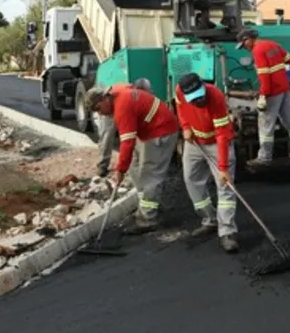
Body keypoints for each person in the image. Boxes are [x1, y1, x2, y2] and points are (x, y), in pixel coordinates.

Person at [84, 81, 179, 234]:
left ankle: (148, 219)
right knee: (135, 169)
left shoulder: (122, 108)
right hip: (146, 130)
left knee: (150, 175)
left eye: (98, 109)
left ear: (104, 99)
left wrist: (119, 169)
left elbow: (127, 143)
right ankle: (149, 204)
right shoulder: (116, 90)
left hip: (161, 131)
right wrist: (124, 167)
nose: (100, 114)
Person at [174, 72, 240, 253]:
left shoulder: (216, 97)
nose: (199, 101)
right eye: (194, 99)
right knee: (191, 179)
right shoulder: (179, 92)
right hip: (195, 143)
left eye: (200, 96)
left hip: (217, 144)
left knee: (224, 186)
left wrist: (224, 168)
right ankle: (210, 219)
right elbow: (180, 109)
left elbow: (222, 135)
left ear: (203, 86)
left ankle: (227, 231)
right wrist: (186, 127)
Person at [236, 27, 290, 164]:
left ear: (248, 39)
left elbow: (264, 75)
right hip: (284, 89)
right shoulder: (273, 44)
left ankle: (265, 157)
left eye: (244, 44)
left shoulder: (257, 50)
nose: (245, 48)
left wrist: (263, 95)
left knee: (266, 124)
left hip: (272, 92)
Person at [94, 78, 153, 183]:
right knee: (107, 135)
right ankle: (103, 165)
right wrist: (121, 169)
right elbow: (128, 141)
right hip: (109, 104)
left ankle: (137, 163)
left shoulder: (134, 95)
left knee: (133, 138)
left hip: (116, 103)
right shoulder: (121, 100)